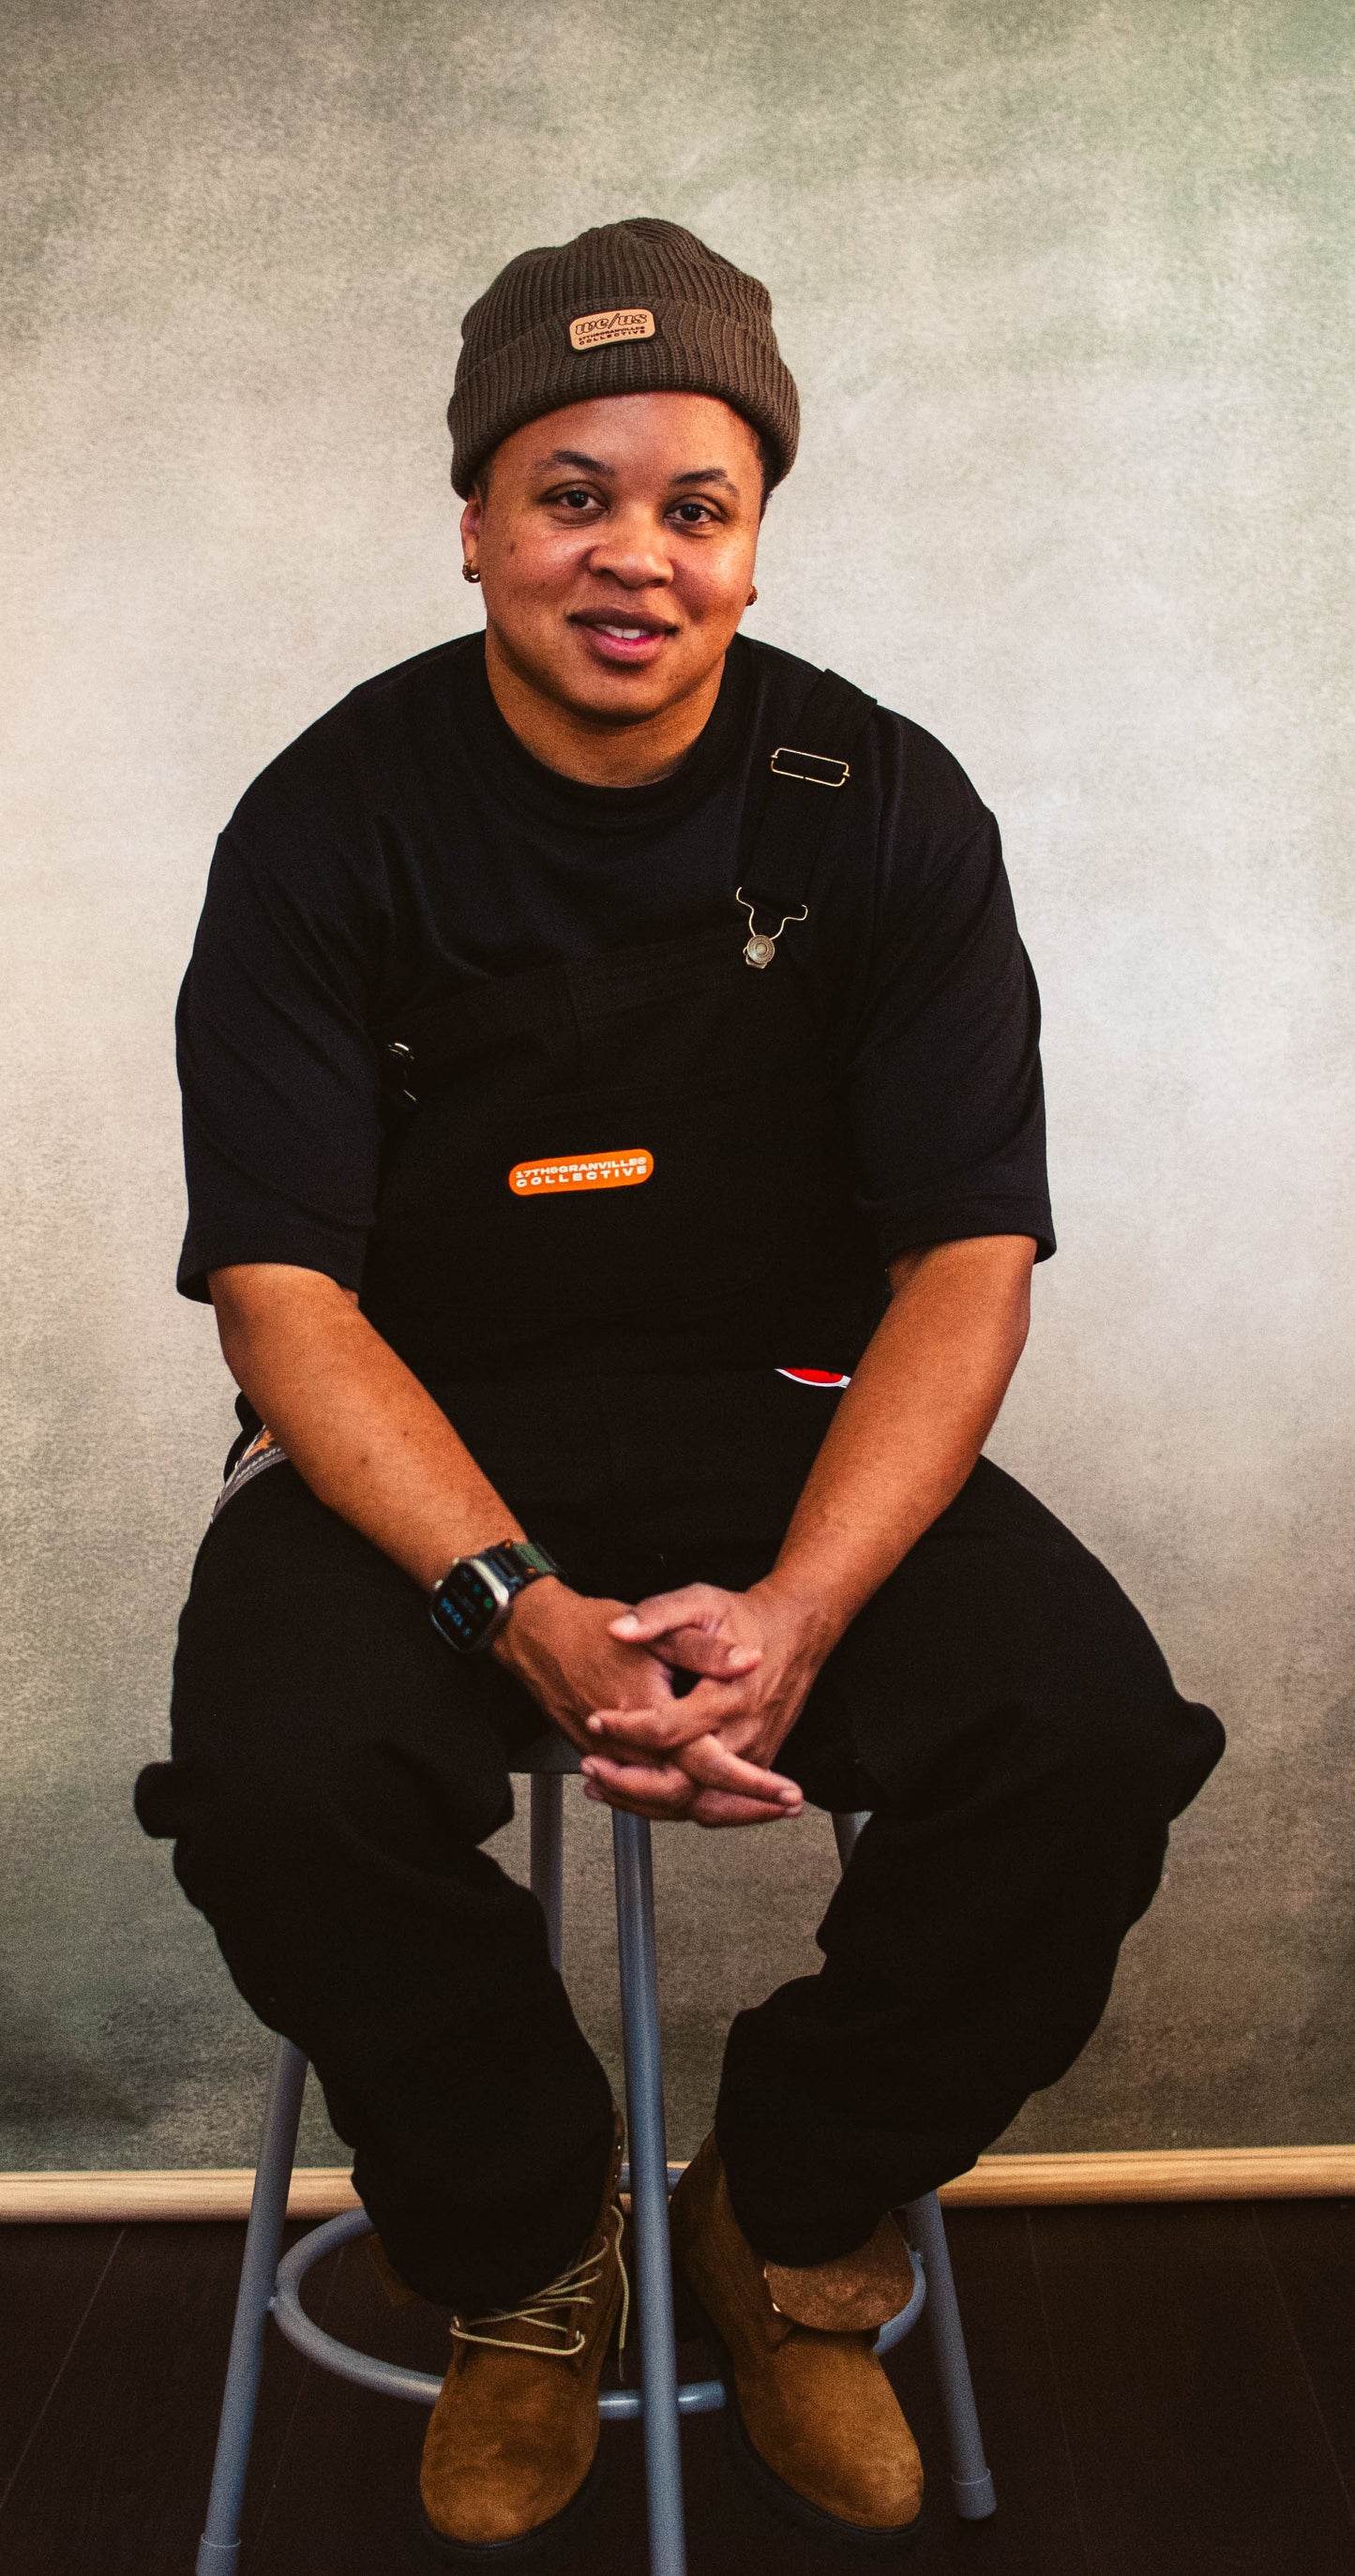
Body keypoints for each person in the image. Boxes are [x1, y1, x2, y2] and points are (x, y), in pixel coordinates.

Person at [135, 218, 1224, 2562]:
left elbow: (966, 1261)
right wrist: (518, 1601)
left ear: (753, 535)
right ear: (476, 517)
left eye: (695, 503)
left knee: (1088, 1739)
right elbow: (285, 1300)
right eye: (571, 491)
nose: (633, 554)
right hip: (424, 1449)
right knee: (274, 1777)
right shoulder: (330, 818)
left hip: (788, 1414)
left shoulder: (883, 806)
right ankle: (528, 2250)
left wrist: (808, 1604)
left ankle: (781, 2211)